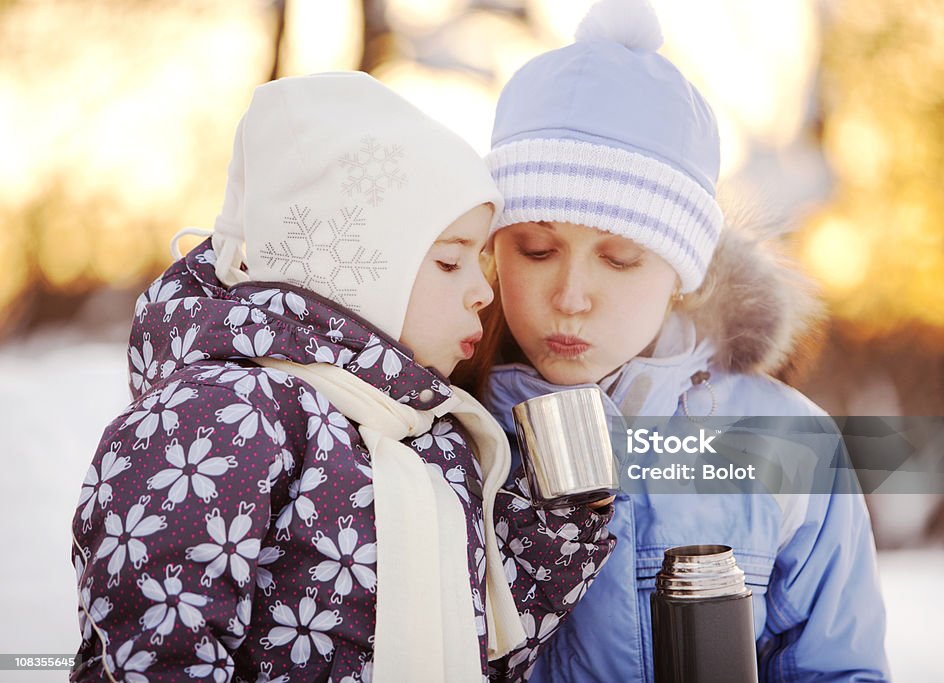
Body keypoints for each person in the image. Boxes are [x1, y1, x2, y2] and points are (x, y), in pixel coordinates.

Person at [71, 72, 614, 683]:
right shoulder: (225, 414)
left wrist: (562, 527)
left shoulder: (425, 435)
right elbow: (158, 640)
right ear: (358, 267)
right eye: (448, 258)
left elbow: (477, 646)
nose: (482, 291)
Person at [456, 0, 891, 680]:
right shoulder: (446, 428)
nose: (571, 295)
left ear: (681, 275)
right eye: (536, 249)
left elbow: (838, 667)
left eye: (620, 259)